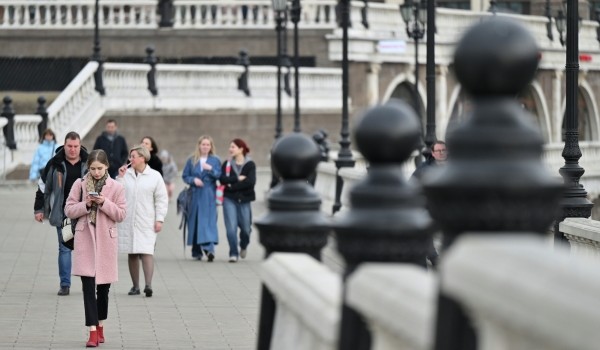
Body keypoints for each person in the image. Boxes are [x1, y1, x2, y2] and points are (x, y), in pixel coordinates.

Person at [64, 150, 126, 348]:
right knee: (88, 288)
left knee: (104, 289)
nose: (96, 172)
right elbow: (69, 209)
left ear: (107, 166)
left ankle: (100, 325)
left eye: (100, 168)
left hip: (106, 242)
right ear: (88, 168)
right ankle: (92, 331)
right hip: (85, 241)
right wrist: (86, 204)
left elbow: (121, 214)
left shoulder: (116, 187)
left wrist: (104, 202)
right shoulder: (79, 184)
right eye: (93, 169)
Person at [33, 131, 89, 296]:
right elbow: (43, 187)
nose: (72, 150)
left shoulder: (88, 163)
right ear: (64, 145)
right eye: (69, 146)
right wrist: (39, 209)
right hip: (64, 213)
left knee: (85, 249)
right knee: (65, 248)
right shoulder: (54, 163)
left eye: (75, 146)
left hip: (84, 213)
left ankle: (89, 283)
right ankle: (65, 284)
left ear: (80, 146)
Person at [117, 144, 168, 297]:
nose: (130, 159)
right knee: (132, 252)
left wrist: (160, 219)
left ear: (143, 158)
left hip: (147, 219)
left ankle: (148, 285)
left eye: (133, 156)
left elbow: (161, 199)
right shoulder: (125, 175)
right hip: (128, 219)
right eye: (130, 156)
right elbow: (116, 193)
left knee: (146, 251)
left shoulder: (155, 176)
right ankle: (135, 286)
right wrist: (119, 177)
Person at [182, 136, 222, 261]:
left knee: (208, 221)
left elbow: (219, 175)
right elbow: (185, 175)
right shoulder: (192, 160)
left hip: (209, 194)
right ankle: (196, 250)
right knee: (194, 220)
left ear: (211, 147)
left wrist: (210, 169)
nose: (205, 147)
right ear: (199, 145)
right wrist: (193, 180)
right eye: (203, 144)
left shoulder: (215, 160)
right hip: (194, 194)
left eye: (208, 145)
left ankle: (209, 249)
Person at [410, 140, 448, 267]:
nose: (442, 153)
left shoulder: (452, 166)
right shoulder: (424, 170)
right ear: (432, 153)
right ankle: (433, 257)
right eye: (438, 151)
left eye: (444, 150)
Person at [219, 138, 256, 263]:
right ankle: (233, 253)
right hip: (229, 199)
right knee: (231, 229)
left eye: (233, 147)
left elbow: (251, 182)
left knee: (246, 229)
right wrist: (237, 178)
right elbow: (222, 179)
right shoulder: (227, 164)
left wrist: (232, 185)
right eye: (230, 147)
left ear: (241, 149)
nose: (230, 149)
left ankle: (243, 245)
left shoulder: (250, 165)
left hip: (245, 200)